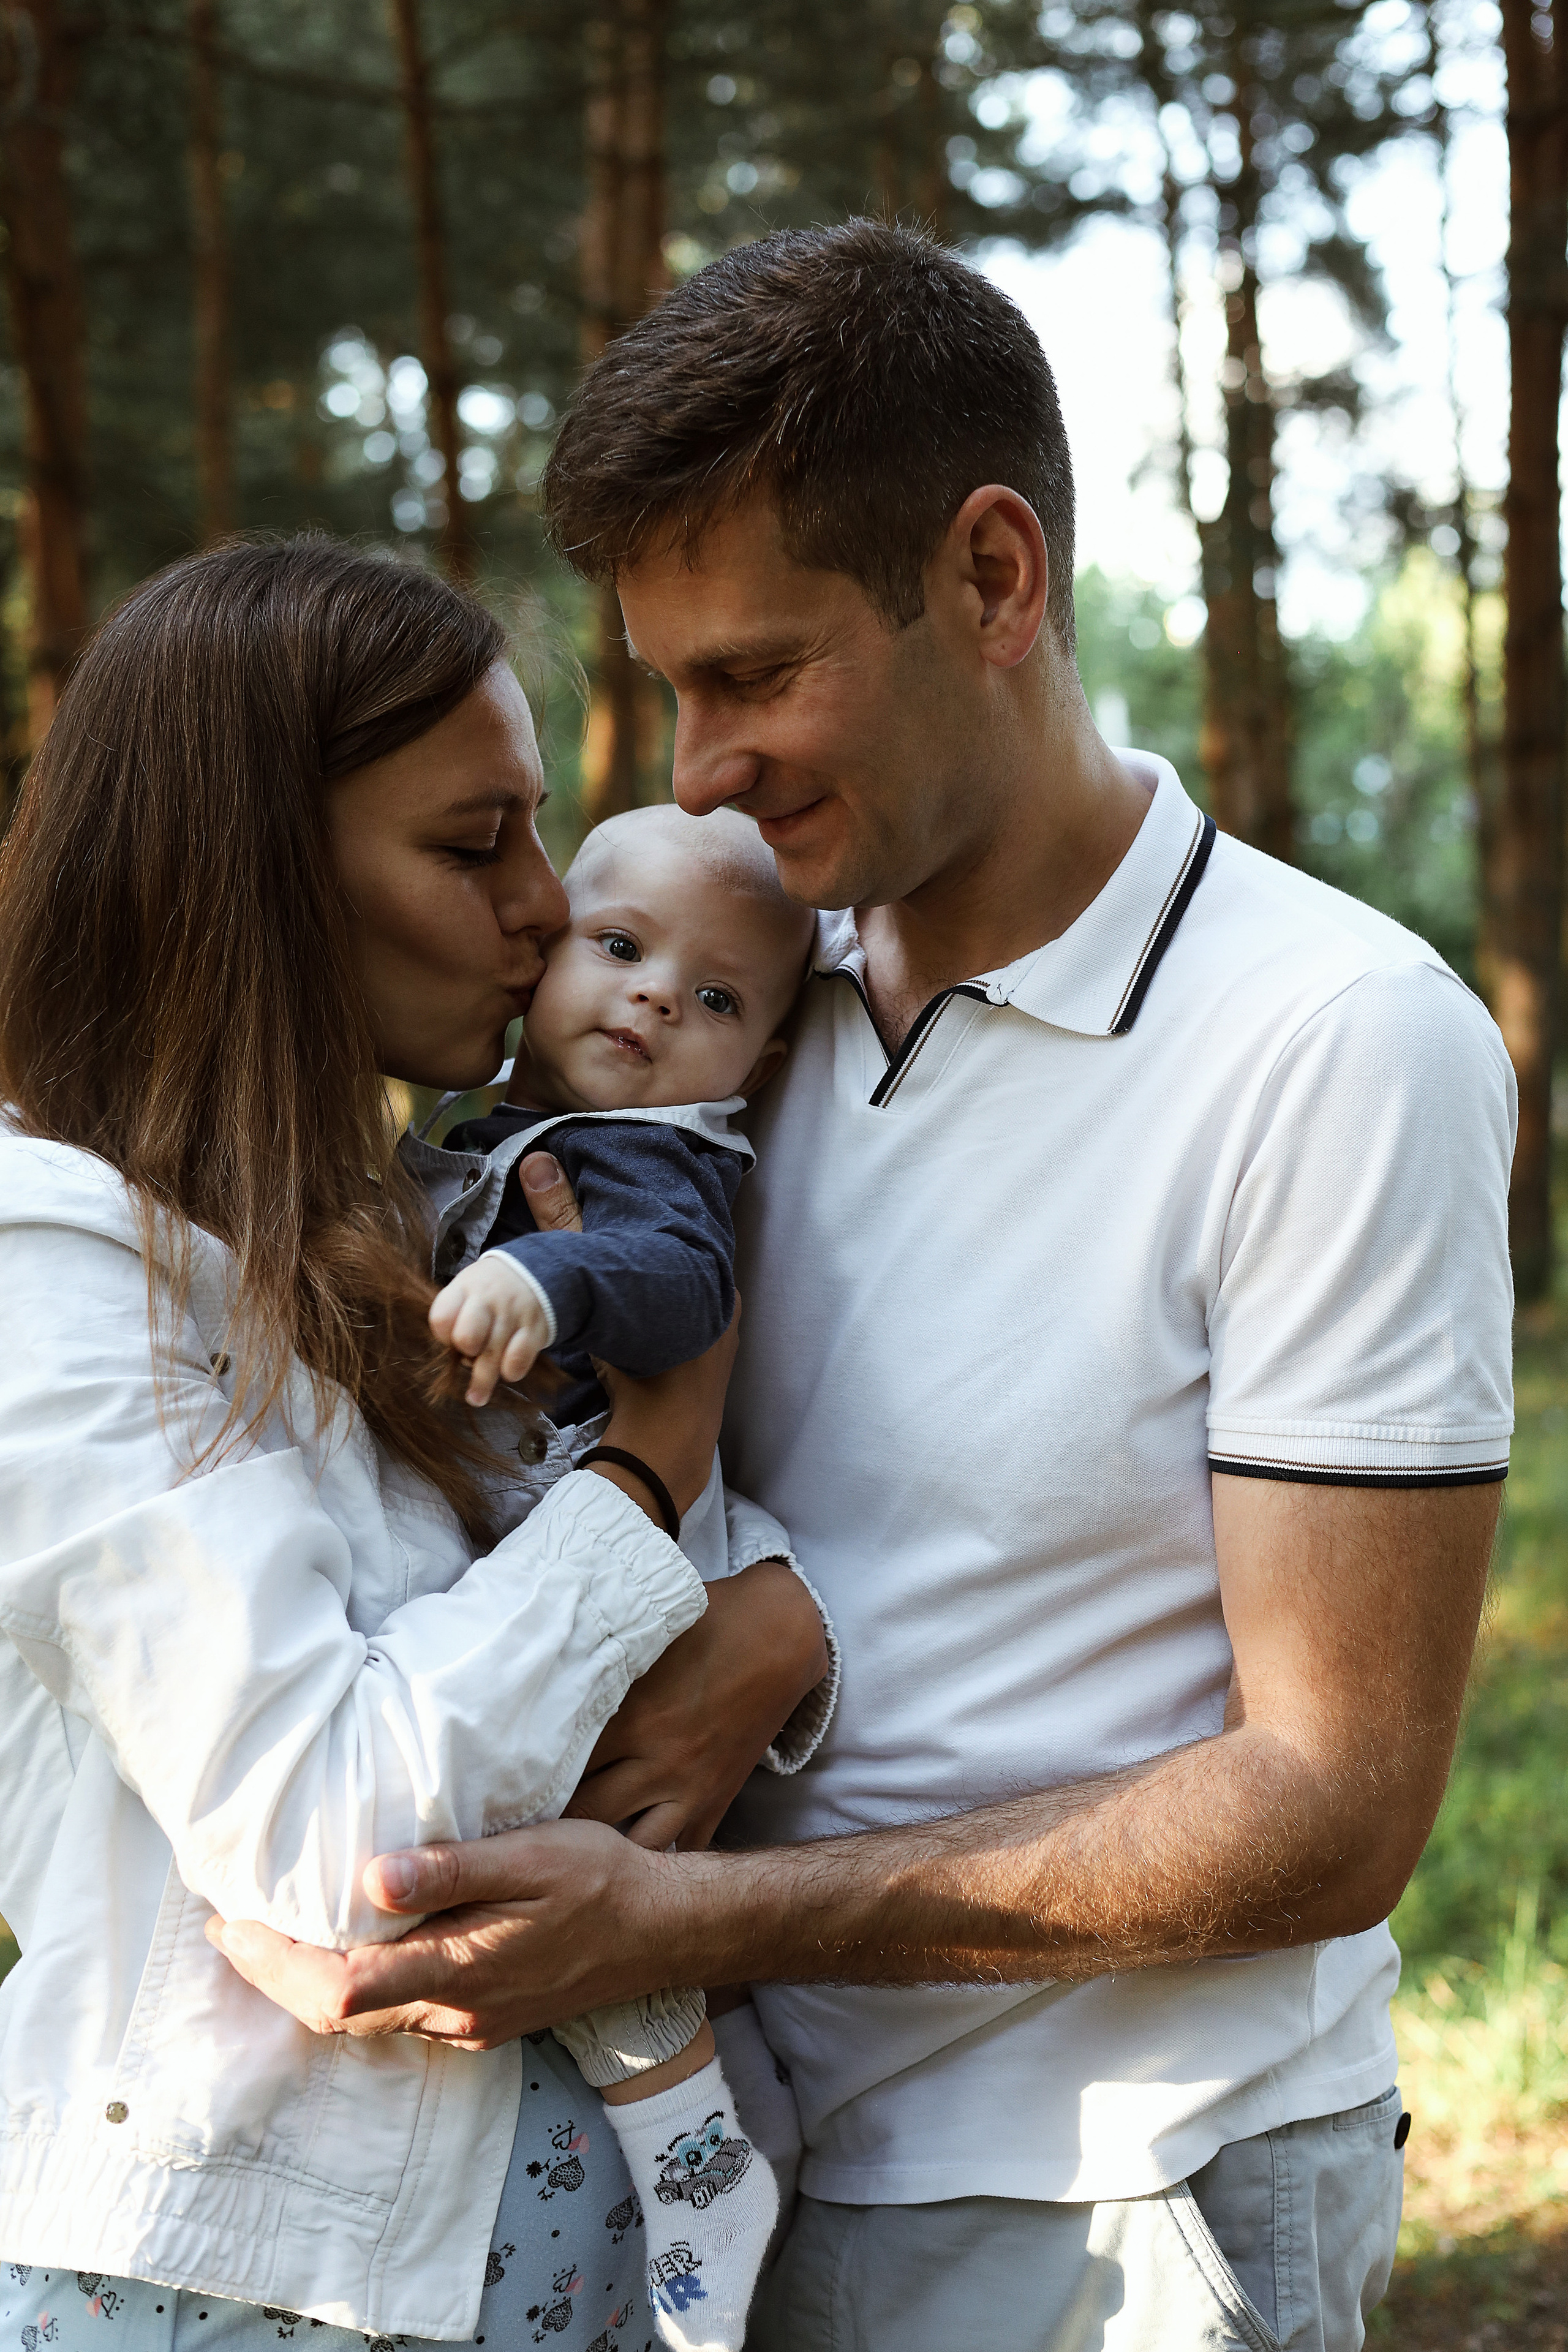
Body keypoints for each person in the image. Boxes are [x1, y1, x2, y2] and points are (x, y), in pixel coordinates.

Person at [208, 225, 1515, 2352]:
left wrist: (698, 1906)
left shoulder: (1338, 1040)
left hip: (1117, 2196)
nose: (700, 767)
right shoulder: (737, 1016)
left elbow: (1336, 1803)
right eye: (668, 689)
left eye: (756, 675)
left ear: (993, 581)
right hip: (713, 2179)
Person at [0, 539, 831, 2352]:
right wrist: (653, 1471)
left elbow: (524, 1689)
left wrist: (773, 1630)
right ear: (251, 877)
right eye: (475, 848)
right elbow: (341, 1834)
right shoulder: (52, 1262)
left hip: (535, 2283)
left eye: (539, 833)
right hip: (239, 2292)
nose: (547, 906)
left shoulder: (393, 1224)